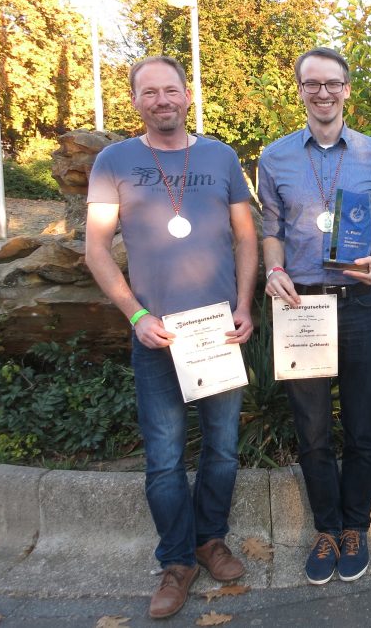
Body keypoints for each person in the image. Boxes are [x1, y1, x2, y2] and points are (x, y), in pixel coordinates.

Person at [85, 56, 257, 619]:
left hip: (219, 335)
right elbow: (96, 249)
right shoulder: (113, 162)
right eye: (149, 92)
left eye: (171, 90)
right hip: (156, 336)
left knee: (223, 450)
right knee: (162, 458)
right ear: (135, 101)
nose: (162, 100)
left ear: (188, 96)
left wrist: (245, 305)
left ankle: (210, 539)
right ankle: (177, 560)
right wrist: (136, 315)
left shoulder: (221, 156)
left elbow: (247, 238)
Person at [258, 47, 371, 585]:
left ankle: (355, 526)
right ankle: (325, 527)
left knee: (362, 426)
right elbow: (271, 229)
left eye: (332, 83)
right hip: (301, 306)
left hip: (358, 303)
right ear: (299, 90)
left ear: (346, 89)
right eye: (312, 84)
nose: (323, 92)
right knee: (313, 429)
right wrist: (273, 270)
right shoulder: (274, 157)